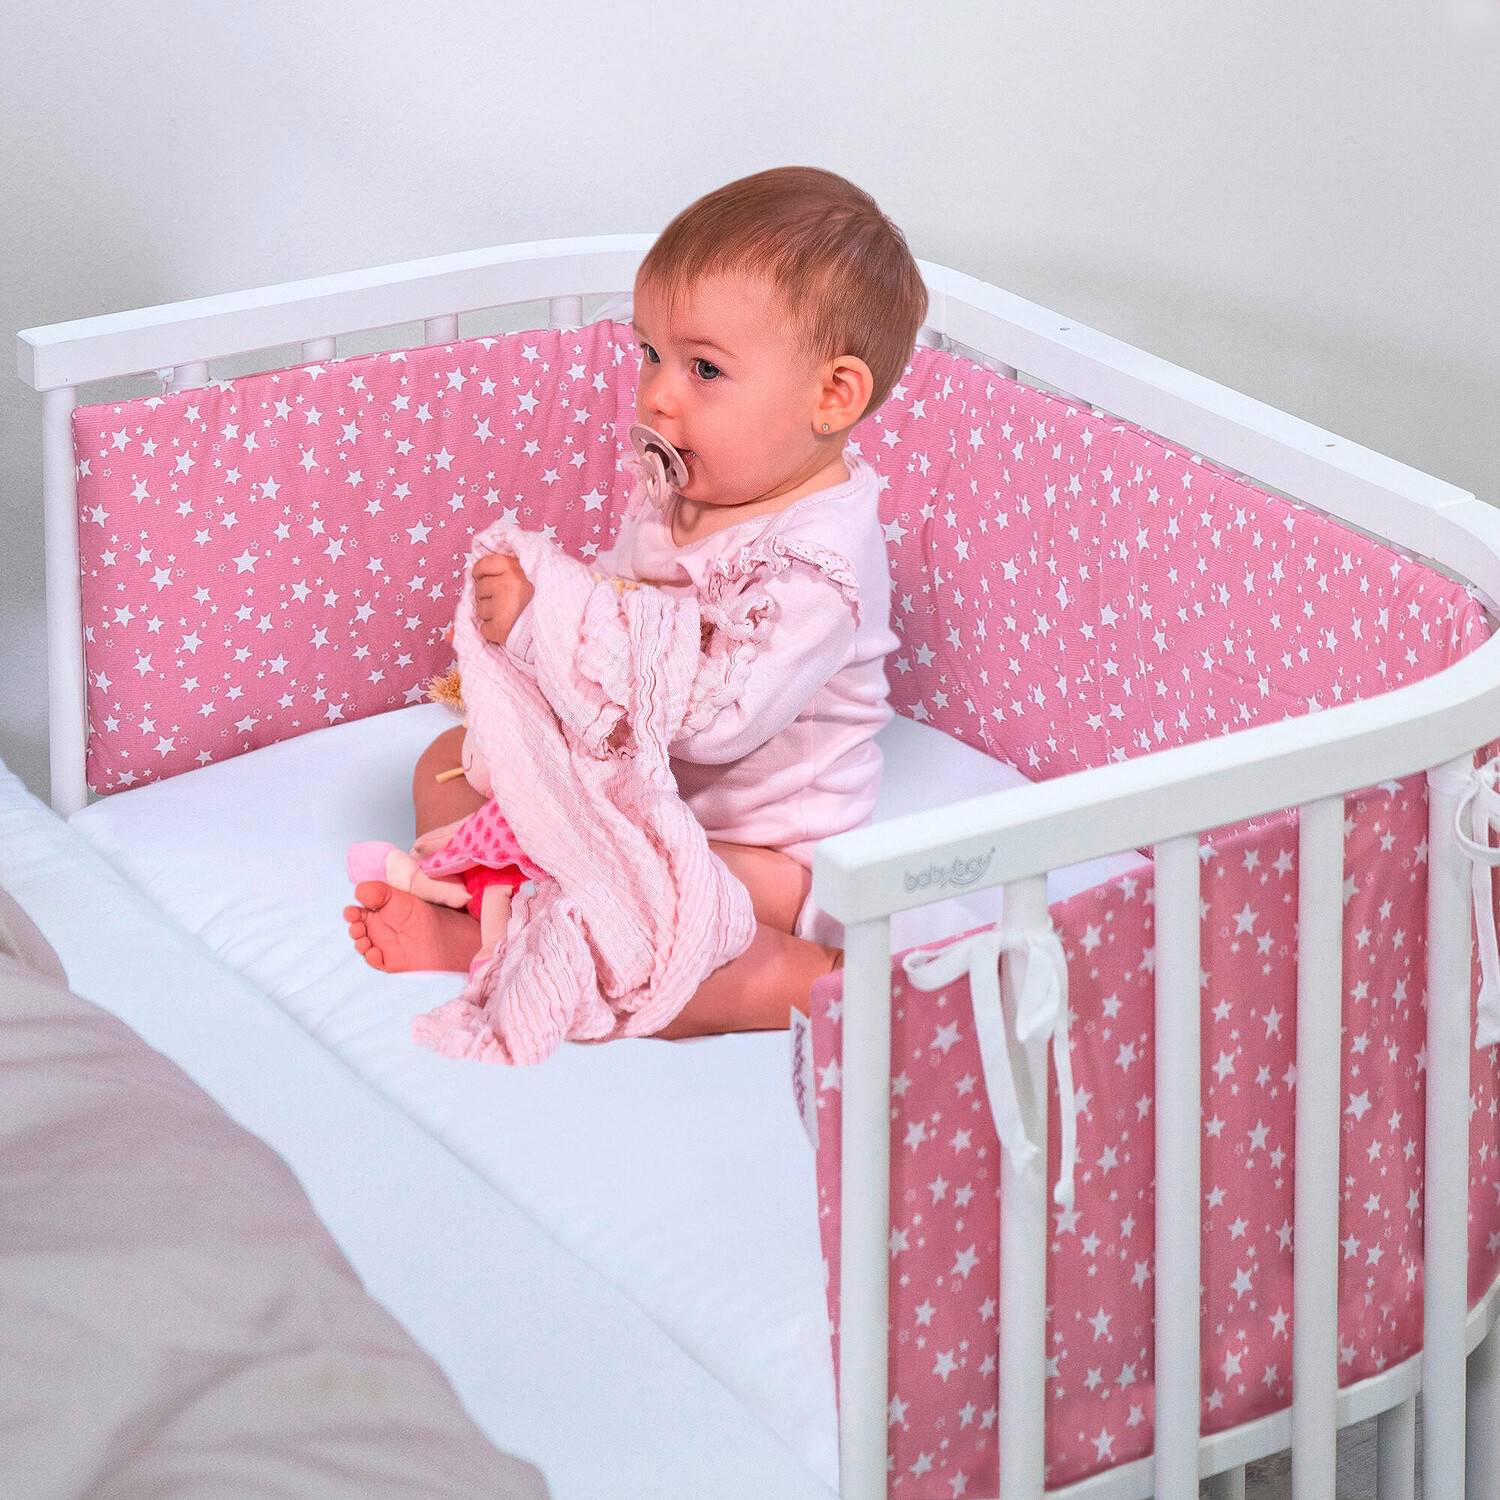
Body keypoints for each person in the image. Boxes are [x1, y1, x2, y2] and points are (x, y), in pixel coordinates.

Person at [345, 165, 927, 1038]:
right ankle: (497, 912)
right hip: (633, 797)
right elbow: (620, 598)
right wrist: (540, 642)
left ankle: (817, 980)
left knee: (660, 920)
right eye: (650, 353)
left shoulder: (816, 567)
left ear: (831, 396)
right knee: (447, 764)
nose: (657, 392)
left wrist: (552, 626)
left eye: (704, 368)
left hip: (758, 850)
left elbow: (714, 721)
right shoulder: (689, 488)